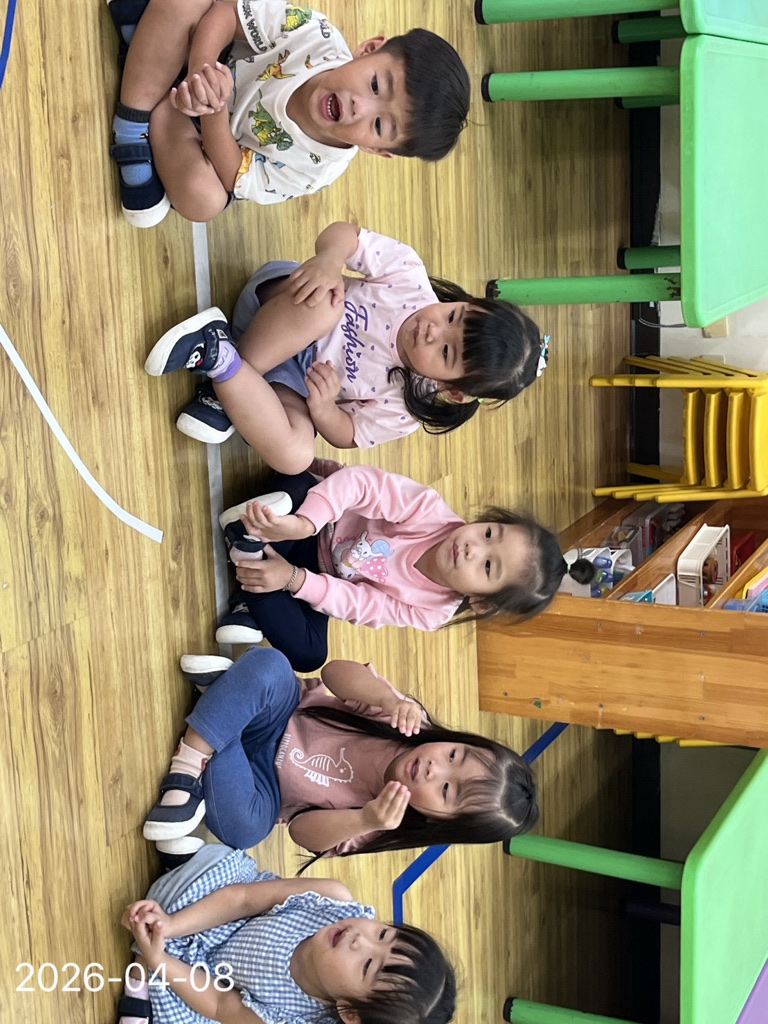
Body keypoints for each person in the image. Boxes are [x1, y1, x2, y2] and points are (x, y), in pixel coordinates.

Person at [143, 222, 548, 464]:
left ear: (454, 391)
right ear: (467, 302)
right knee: (327, 307)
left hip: (289, 380)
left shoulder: (405, 412)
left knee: (297, 455)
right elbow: (345, 235)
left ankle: (221, 358)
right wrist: (329, 261)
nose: (432, 330)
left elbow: (348, 434)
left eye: (446, 352)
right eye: (453, 316)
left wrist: (323, 410)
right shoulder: (407, 277)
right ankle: (226, 386)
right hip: (282, 305)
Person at [140, 648, 538, 865]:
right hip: (279, 713)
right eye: (453, 754)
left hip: (262, 788)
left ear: (438, 822)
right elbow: (334, 673)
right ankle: (189, 765)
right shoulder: (405, 720)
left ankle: (222, 703)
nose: (436, 768)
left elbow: (300, 832)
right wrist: (386, 698)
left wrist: (363, 820)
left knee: (246, 830)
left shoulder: (382, 826)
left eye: (447, 790)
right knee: (272, 665)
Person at [104, 1, 470, 226]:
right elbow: (228, 12)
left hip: (204, 138)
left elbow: (234, 175)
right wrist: (202, 70)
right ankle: (133, 124)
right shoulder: (317, 36)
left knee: (205, 202)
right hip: (206, 61)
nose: (360, 107)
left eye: (378, 125)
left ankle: (150, 64)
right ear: (369, 49)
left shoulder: (317, 170)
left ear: (376, 150)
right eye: (375, 85)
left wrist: (213, 109)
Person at [209, 466, 596, 671]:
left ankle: (253, 562)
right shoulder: (429, 510)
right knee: (295, 481)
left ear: (481, 601)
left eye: (488, 566)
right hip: (315, 520)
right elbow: (362, 484)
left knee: (310, 656)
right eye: (490, 533)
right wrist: (304, 524)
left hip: (321, 575)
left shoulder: (432, 612)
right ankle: (256, 568)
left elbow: (363, 605)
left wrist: (294, 580)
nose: (472, 548)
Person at [116, 843, 456, 1024]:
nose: (359, 939)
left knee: (174, 1001)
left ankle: (145, 969)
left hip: (205, 980)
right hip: (224, 914)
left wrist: (159, 960)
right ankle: (157, 928)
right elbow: (242, 899)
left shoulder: (292, 1019)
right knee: (216, 864)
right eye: (382, 934)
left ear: (349, 1013)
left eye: (367, 966)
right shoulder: (333, 901)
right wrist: (173, 925)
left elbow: (219, 1004)